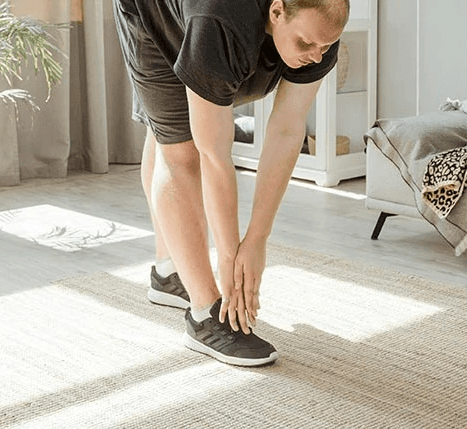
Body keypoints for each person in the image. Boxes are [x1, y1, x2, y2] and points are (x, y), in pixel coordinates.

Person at [114, 0, 349, 367]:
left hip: (206, 20)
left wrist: (256, 239)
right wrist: (229, 260)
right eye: (306, 44)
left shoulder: (319, 28)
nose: (317, 58)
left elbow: (287, 130)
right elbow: (214, 156)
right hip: (151, 11)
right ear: (277, 12)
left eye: (326, 47)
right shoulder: (219, 21)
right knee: (179, 149)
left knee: (174, 134)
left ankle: (168, 270)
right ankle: (206, 313)